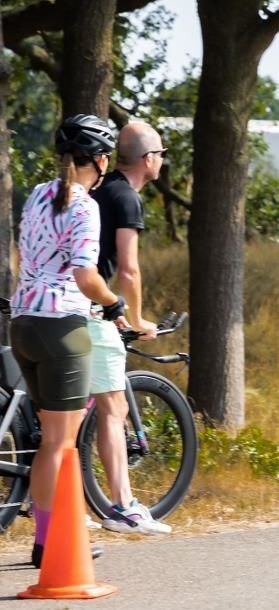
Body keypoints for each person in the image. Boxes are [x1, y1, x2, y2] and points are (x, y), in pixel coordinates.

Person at [10, 115, 126, 568]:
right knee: (61, 443)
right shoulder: (85, 205)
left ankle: (44, 542)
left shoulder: (39, 193)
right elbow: (85, 274)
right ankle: (64, 542)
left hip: (24, 323)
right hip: (62, 328)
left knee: (49, 441)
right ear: (98, 160)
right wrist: (113, 303)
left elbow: (25, 256)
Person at [88, 120, 172, 535]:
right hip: (92, 307)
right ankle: (122, 505)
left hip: (70, 304)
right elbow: (129, 269)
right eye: (161, 153)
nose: (163, 160)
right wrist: (137, 320)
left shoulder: (100, 190)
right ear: (148, 159)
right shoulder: (126, 199)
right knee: (113, 408)